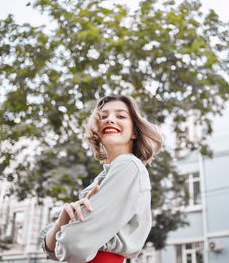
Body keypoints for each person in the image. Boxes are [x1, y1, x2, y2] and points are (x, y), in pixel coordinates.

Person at [40, 95, 162, 263]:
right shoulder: (105, 177)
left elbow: (73, 245)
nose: (110, 119)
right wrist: (63, 220)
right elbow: (52, 249)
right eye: (103, 116)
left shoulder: (128, 165)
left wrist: (65, 236)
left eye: (120, 116)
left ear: (134, 132)